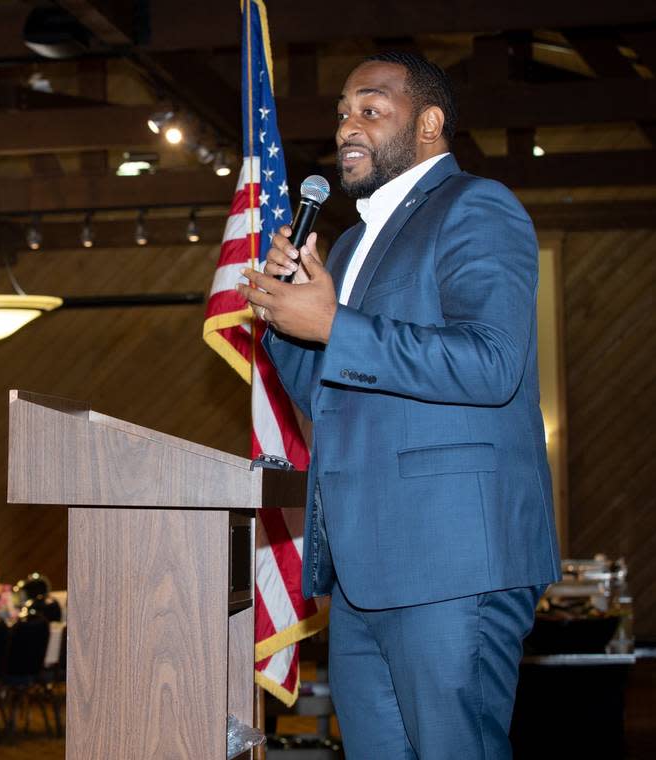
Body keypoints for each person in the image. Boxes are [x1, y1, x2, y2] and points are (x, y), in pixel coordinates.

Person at [239, 52, 560, 759]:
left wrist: (334, 325)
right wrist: (286, 320)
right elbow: (332, 397)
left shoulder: (477, 206)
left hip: (453, 562)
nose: (348, 125)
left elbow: (491, 362)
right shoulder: (349, 247)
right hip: (361, 572)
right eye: (343, 113)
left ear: (429, 123)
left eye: (371, 107)